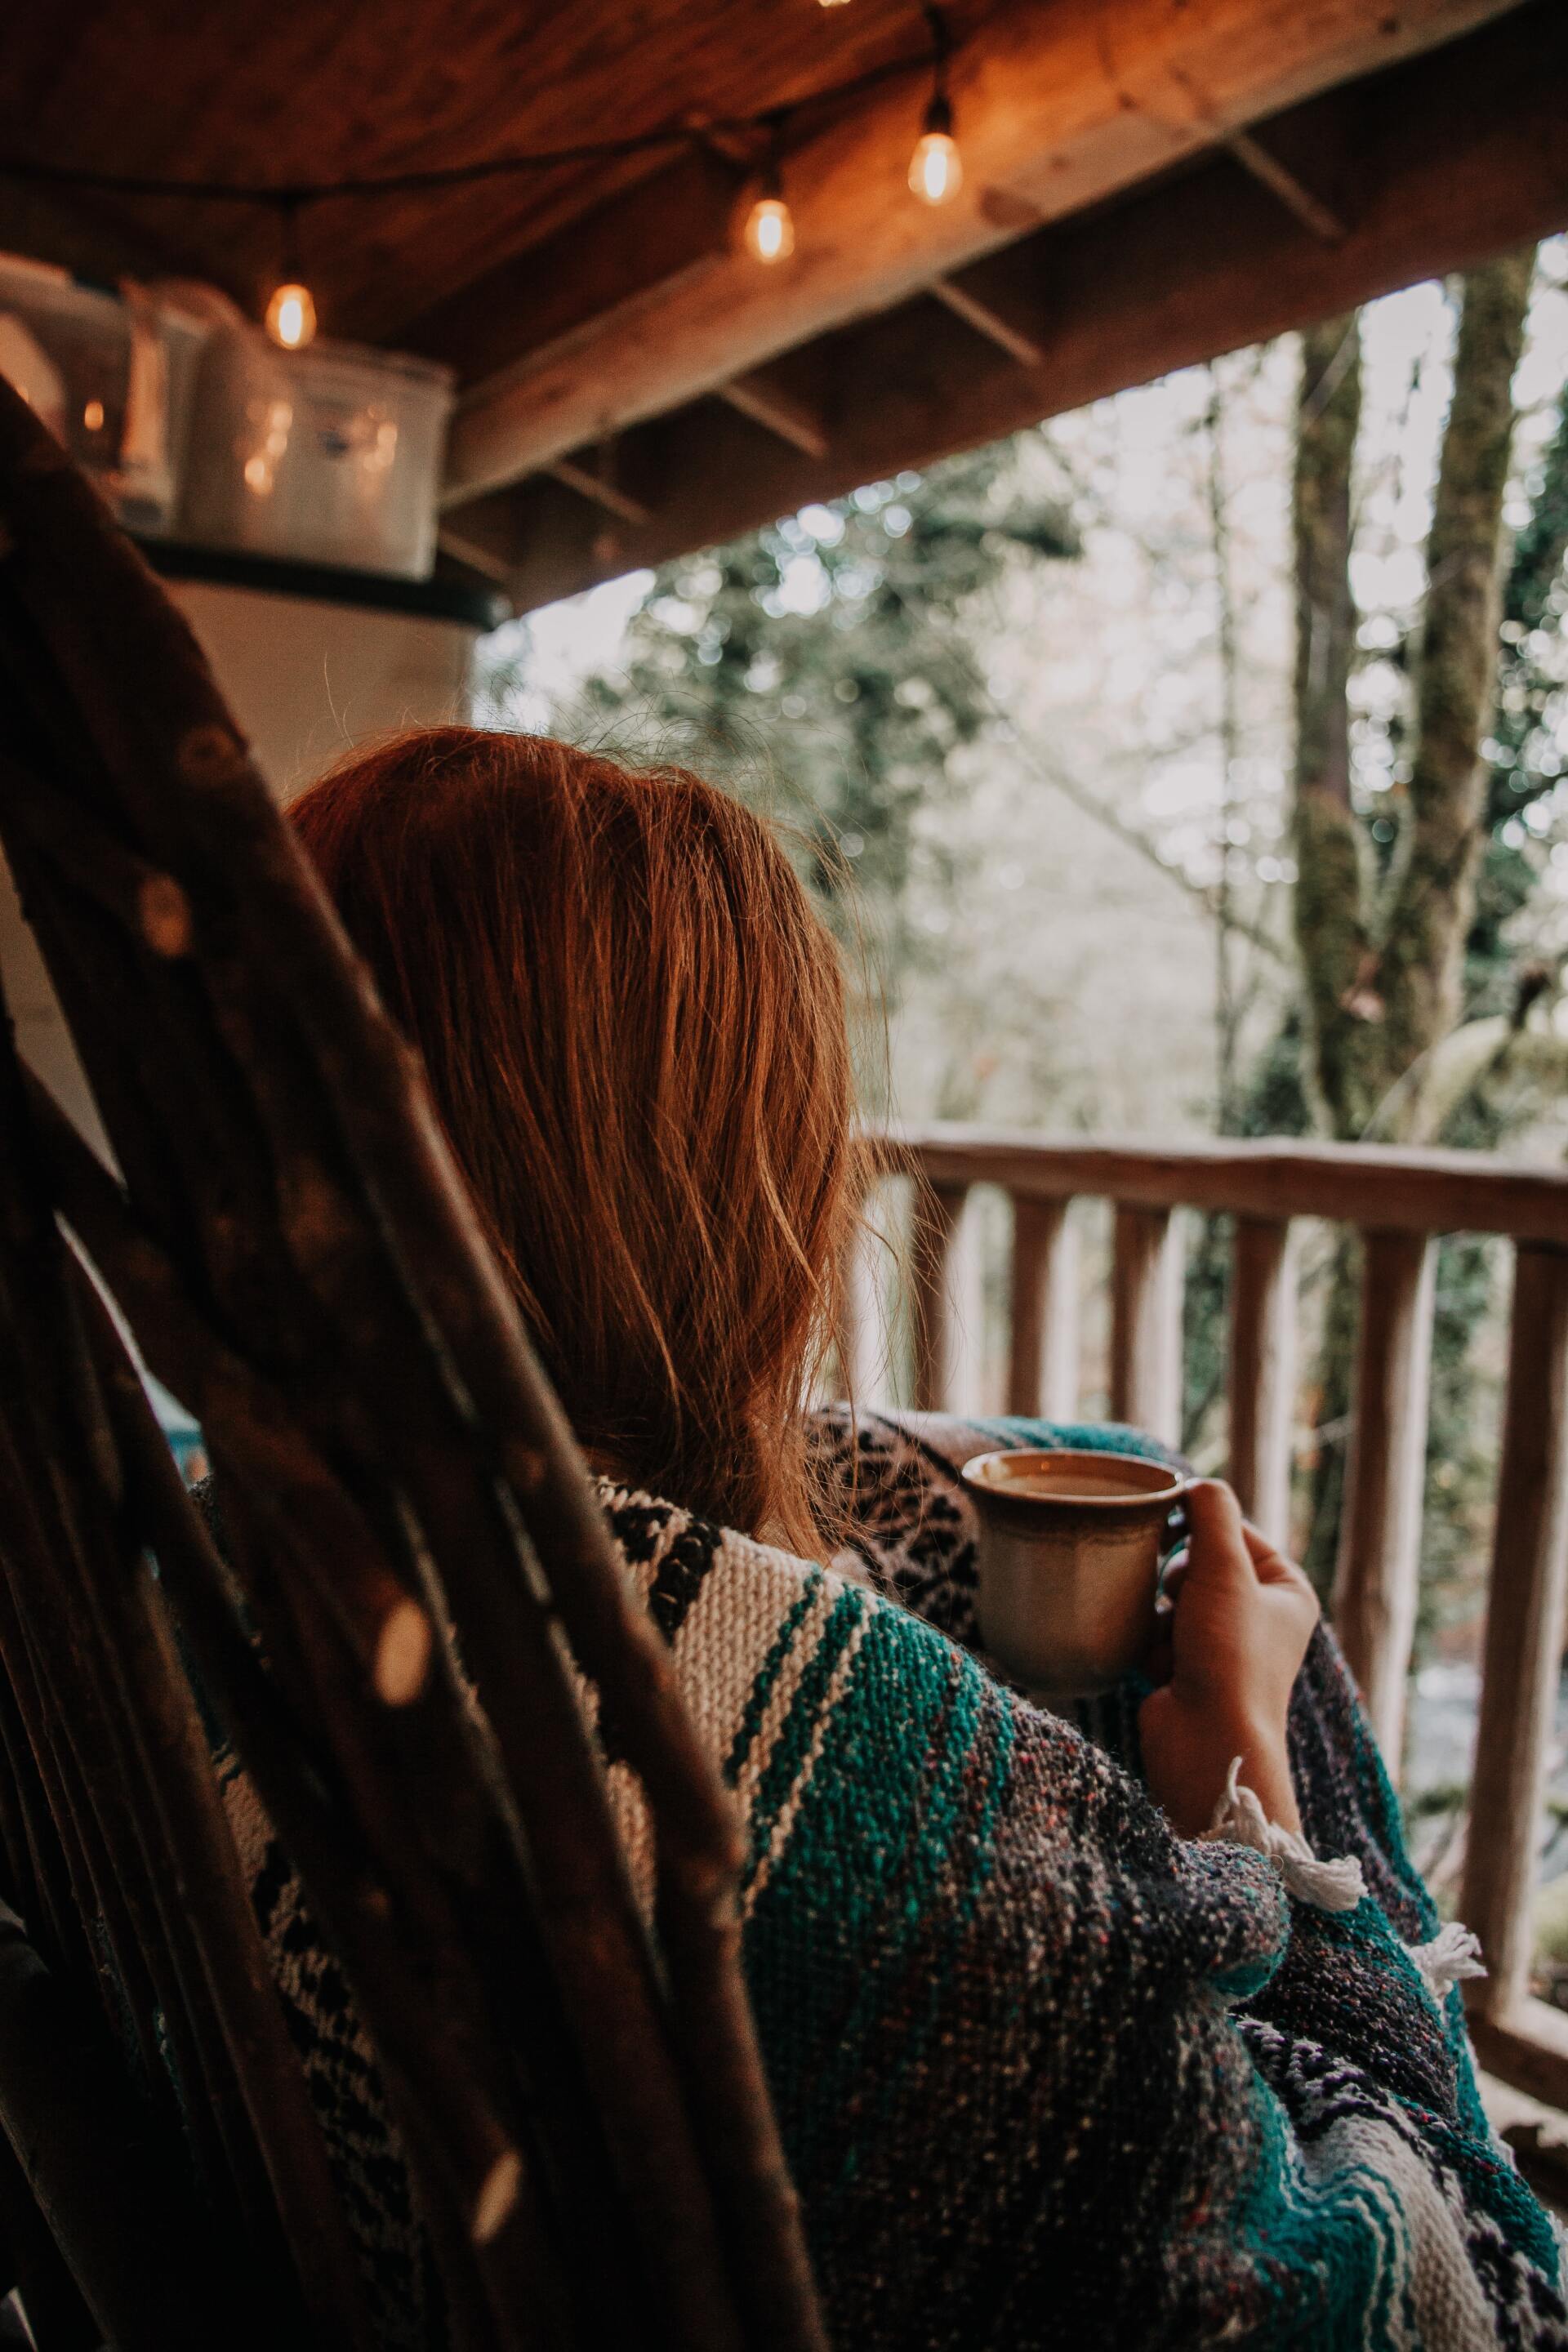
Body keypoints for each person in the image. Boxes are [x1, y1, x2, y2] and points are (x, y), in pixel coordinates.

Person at [220, 724, 1564, 2350]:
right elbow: (1457, 2306)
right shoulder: (859, 1844)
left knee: (1106, 1468)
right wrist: (1253, 1799)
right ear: (726, 1198)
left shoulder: (240, 1536)